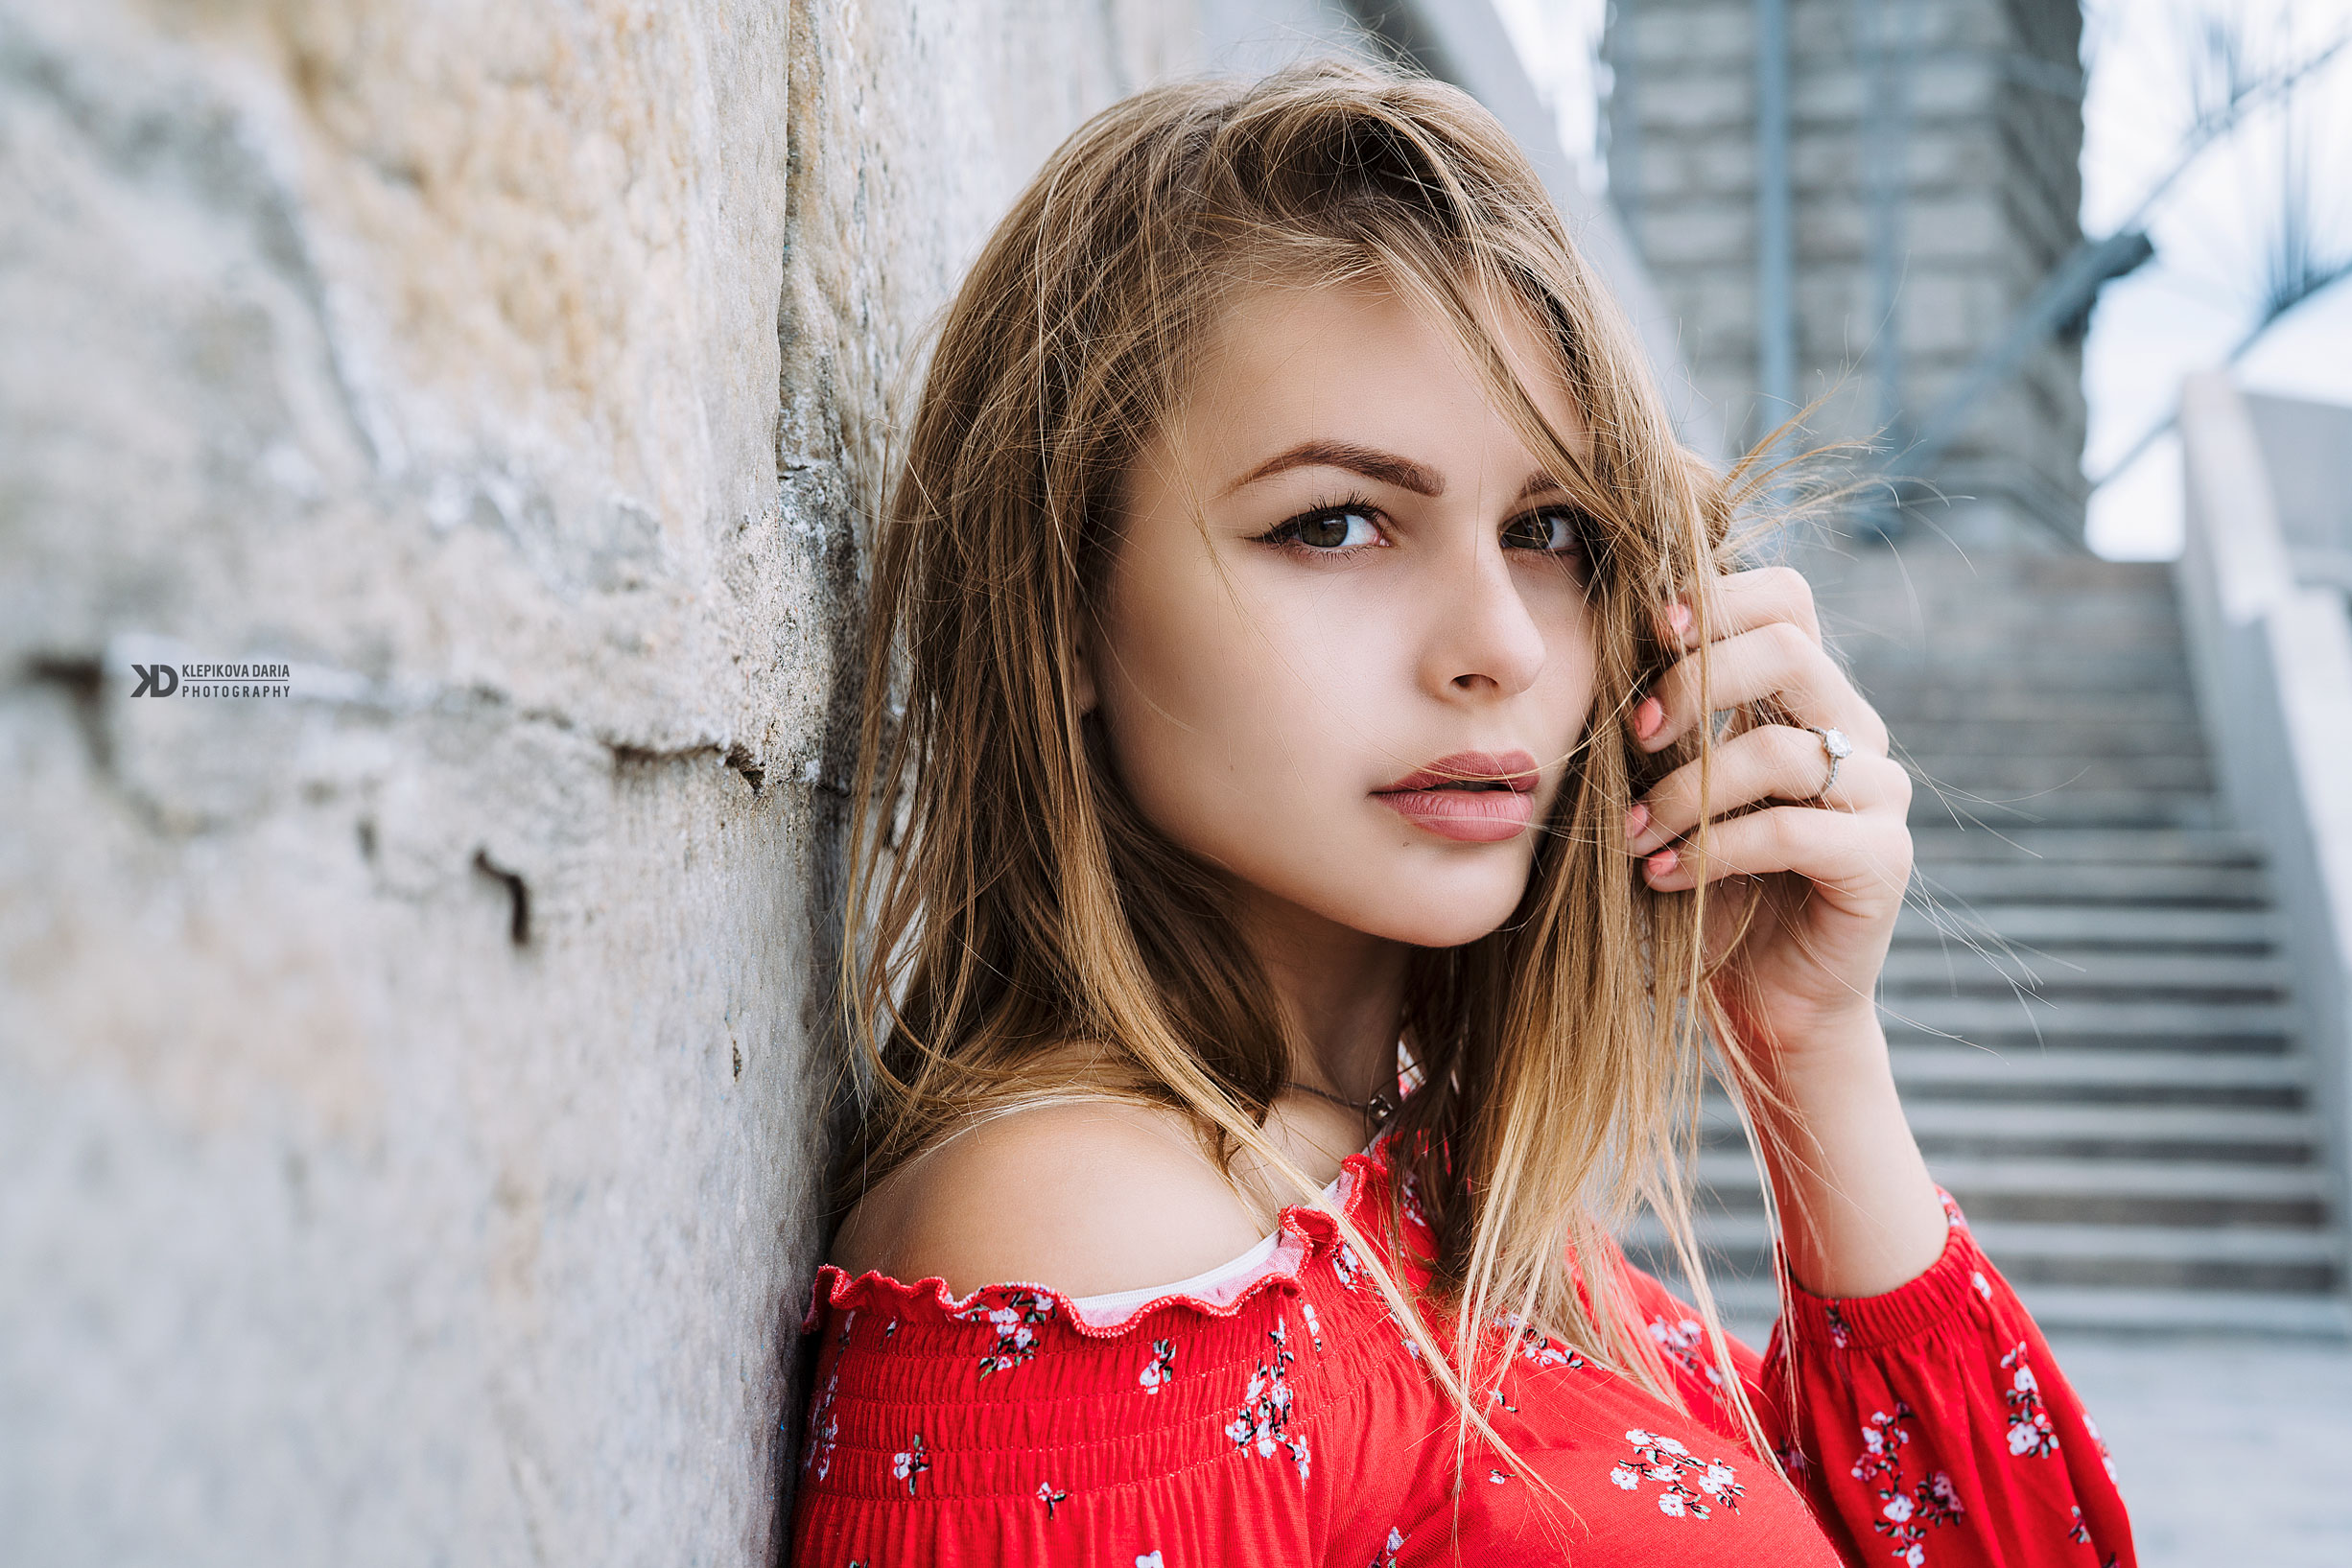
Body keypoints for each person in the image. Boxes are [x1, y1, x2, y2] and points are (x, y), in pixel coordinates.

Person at [789, 59, 2134, 1568]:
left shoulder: (1425, 1180)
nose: (1497, 640)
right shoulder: (1094, 1248)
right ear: (1068, 608)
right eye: (1337, 522)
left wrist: (1812, 1048)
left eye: (1549, 530)